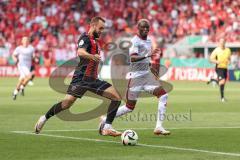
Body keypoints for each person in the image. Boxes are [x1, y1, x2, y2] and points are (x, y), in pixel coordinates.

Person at [34, 17, 122, 137]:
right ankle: (44, 118)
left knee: (116, 97)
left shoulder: (95, 41)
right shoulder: (85, 38)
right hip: (81, 78)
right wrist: (92, 57)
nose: (102, 31)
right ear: (93, 25)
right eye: (100, 28)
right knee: (66, 104)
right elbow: (80, 52)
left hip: (92, 79)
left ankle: (107, 126)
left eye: (103, 29)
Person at [99, 19, 170, 135]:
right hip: (136, 78)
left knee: (163, 95)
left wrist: (151, 69)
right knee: (129, 107)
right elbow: (133, 58)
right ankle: (106, 119)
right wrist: (148, 55)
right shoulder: (135, 41)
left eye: (147, 27)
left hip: (147, 76)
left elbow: (146, 59)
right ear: (138, 28)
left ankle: (159, 127)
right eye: (143, 27)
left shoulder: (148, 41)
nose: (146, 29)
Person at [210, 38, 231, 102]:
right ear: (219, 43)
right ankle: (215, 81)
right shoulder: (216, 50)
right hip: (219, 67)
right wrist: (216, 61)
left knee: (223, 83)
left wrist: (229, 61)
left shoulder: (228, 50)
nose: (222, 43)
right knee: (222, 81)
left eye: (223, 42)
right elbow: (211, 59)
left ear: (225, 42)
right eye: (221, 42)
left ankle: (222, 98)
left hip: (225, 68)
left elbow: (229, 58)